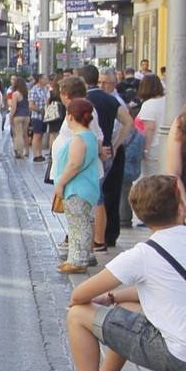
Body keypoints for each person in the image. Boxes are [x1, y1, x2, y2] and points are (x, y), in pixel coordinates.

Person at [47, 175, 186, 371]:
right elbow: (166, 290)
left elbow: (79, 296)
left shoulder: (144, 254)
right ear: (181, 207)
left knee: (78, 315)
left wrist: (99, 299)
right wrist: (114, 298)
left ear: (139, 214)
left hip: (181, 357)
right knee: (127, 311)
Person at [84, 64, 135, 251]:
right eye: (100, 82)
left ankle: (104, 236)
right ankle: (102, 236)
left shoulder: (115, 101)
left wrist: (115, 144)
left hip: (106, 150)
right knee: (103, 192)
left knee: (103, 194)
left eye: (107, 82)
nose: (103, 85)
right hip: (104, 149)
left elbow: (129, 123)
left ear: (114, 83)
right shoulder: (107, 99)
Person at [53, 99, 102, 274]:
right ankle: (76, 257)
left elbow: (74, 164)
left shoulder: (79, 139)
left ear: (70, 116)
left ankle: (78, 260)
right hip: (86, 187)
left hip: (76, 188)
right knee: (80, 223)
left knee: (78, 224)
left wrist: (60, 183)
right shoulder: (90, 136)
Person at [136, 75, 166, 179]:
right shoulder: (167, 101)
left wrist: (145, 150)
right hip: (167, 145)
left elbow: (150, 128)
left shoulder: (148, 104)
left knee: (151, 179)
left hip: (153, 147)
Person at [28, 74, 51, 162]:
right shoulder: (34, 90)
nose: (46, 80)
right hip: (37, 116)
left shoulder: (46, 89)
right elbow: (31, 105)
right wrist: (40, 110)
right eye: (45, 79)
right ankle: (35, 154)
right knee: (37, 135)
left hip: (45, 116)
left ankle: (40, 153)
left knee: (41, 135)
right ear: (40, 79)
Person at [8, 76, 30, 160]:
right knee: (24, 133)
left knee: (18, 134)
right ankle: (25, 151)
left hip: (17, 115)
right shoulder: (26, 93)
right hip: (26, 115)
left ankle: (19, 152)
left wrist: (11, 116)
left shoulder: (15, 94)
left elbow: (14, 107)